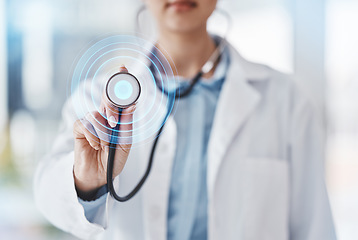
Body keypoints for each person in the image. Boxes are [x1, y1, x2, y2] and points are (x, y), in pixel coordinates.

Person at [34, 0, 337, 239]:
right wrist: (88, 181)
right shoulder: (96, 97)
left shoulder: (285, 101)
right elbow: (48, 196)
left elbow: (315, 227)